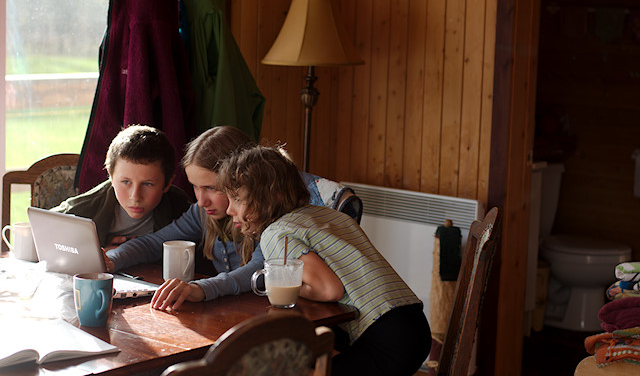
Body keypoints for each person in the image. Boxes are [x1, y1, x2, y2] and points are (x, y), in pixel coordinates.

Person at [218, 145, 432, 376]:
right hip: (413, 325)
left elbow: (330, 290)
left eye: (237, 199)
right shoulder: (325, 215)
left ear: (271, 196)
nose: (229, 209)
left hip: (385, 337)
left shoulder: (276, 233)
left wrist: (280, 284)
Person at [104, 125, 259, 310]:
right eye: (195, 186)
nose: (201, 201)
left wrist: (200, 289)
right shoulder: (201, 214)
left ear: (242, 180)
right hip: (229, 312)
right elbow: (154, 243)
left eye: (212, 188)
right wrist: (111, 259)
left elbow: (257, 269)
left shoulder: (269, 220)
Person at [51, 125, 192, 248]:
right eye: (125, 182)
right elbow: (40, 230)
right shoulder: (82, 209)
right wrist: (99, 253)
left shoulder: (182, 209)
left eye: (148, 184)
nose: (135, 196)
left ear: (167, 184)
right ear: (110, 178)